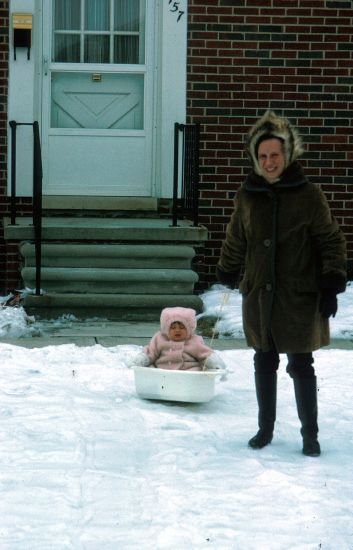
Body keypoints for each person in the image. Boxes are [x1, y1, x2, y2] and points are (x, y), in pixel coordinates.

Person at [216, 111, 347, 457]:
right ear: (255, 159)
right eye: (262, 156)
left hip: (298, 298)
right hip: (259, 295)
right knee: (264, 361)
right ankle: (265, 429)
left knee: (301, 364)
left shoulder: (309, 196)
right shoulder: (247, 197)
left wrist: (333, 282)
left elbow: (331, 241)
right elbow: (235, 240)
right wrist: (227, 270)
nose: (269, 162)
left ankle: (310, 435)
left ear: (287, 155)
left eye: (275, 155)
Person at [135, 306, 226, 371]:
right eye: (173, 328)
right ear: (166, 328)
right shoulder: (159, 339)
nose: (177, 330)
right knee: (150, 369)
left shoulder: (194, 341)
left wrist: (214, 363)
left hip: (187, 373)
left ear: (189, 328)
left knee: (199, 371)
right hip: (162, 372)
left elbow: (205, 354)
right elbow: (151, 352)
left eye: (182, 327)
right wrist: (142, 359)